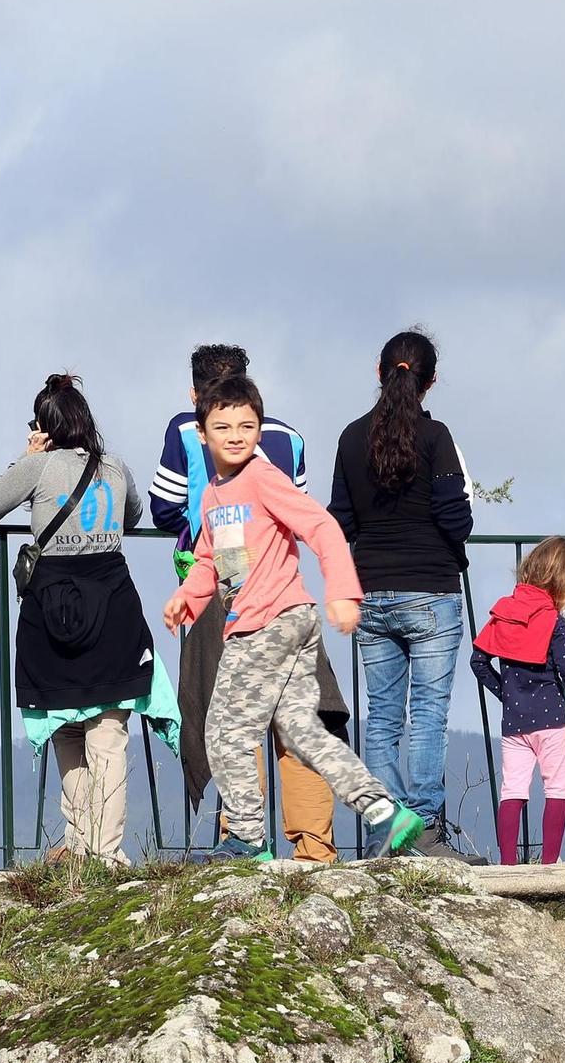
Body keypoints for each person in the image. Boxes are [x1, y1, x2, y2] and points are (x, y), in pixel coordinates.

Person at [161, 373, 425, 862]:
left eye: (247, 425)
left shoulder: (263, 479)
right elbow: (207, 560)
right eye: (223, 427)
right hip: (275, 620)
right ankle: (386, 813)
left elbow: (321, 525)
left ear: (260, 431)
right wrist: (189, 599)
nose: (236, 435)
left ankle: (245, 838)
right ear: (202, 433)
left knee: (223, 729)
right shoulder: (214, 495)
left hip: (272, 620)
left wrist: (344, 591)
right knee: (303, 732)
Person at [0, 374, 179, 865]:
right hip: (113, 608)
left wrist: (26, 459)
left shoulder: (39, 468)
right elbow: (131, 516)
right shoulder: (117, 468)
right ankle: (107, 854)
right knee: (109, 734)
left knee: (66, 729)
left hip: (52, 614)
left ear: (45, 426)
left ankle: (79, 846)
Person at [148, 343, 339, 862]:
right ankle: (315, 845)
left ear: (194, 393)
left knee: (233, 714)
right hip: (287, 589)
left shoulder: (187, 431)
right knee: (303, 710)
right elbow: (300, 512)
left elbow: (164, 507)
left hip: (225, 588)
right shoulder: (287, 437)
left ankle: (242, 837)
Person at [328, 329, 477, 859]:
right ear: (431, 381)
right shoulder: (435, 438)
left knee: (384, 718)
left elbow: (339, 520)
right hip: (431, 589)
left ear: (380, 371)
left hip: (369, 590)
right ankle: (427, 831)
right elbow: (454, 518)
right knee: (428, 716)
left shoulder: (350, 438)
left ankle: (382, 833)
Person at [470, 538, 565, 865]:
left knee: (512, 790)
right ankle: (550, 863)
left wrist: (504, 693)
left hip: (514, 723)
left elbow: (478, 662)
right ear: (563, 583)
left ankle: (508, 864)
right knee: (557, 788)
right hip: (552, 721)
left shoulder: (504, 613)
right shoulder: (554, 623)